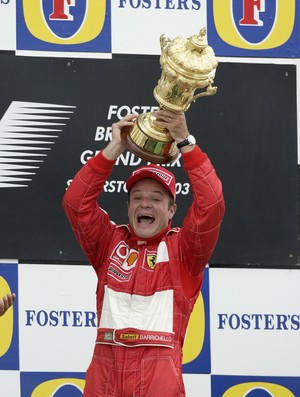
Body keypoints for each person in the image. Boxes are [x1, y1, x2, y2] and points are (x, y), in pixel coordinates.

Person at [63, 109, 225, 397]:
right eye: (137, 197)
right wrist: (115, 147)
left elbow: (211, 205)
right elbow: (76, 204)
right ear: (128, 207)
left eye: (156, 198)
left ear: (172, 210)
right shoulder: (110, 243)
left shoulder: (184, 252)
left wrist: (185, 142)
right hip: (104, 379)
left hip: (157, 382)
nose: (145, 204)